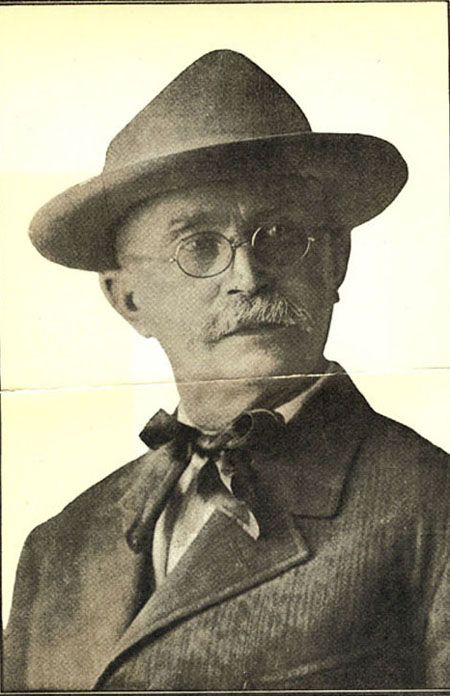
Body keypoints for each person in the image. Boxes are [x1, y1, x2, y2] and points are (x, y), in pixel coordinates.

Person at [4, 50, 449, 691]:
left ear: (336, 263)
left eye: (281, 236)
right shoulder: (59, 547)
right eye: (199, 246)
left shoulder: (431, 506)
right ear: (128, 299)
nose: (248, 277)